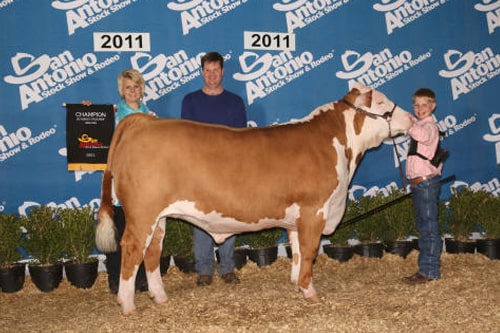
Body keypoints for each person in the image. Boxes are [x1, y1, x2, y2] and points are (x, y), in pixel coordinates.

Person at [83, 68, 156, 293]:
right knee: (121, 228)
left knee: (142, 230)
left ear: (141, 89)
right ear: (121, 91)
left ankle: (141, 277)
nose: (132, 91)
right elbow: (92, 128)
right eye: (128, 87)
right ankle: (115, 277)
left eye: (136, 86)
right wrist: (87, 113)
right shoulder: (113, 115)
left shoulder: (152, 118)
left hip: (145, 181)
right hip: (120, 179)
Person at [181, 51, 247, 286]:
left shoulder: (235, 102)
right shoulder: (190, 101)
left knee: (229, 215)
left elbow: (241, 138)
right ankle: (205, 269)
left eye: (215, 70)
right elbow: (188, 138)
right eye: (207, 70)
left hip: (228, 169)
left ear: (223, 71)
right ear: (202, 72)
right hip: (200, 170)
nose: (211, 75)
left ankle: (228, 268)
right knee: (200, 218)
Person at [403, 88, 443, 285]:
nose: (420, 109)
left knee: (428, 227)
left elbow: (422, 135)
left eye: (424, 105)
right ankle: (426, 268)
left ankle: (429, 271)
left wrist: (407, 121)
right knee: (425, 226)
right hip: (420, 184)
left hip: (426, 183)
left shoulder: (429, 127)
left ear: (433, 106)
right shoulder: (420, 125)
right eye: (416, 105)